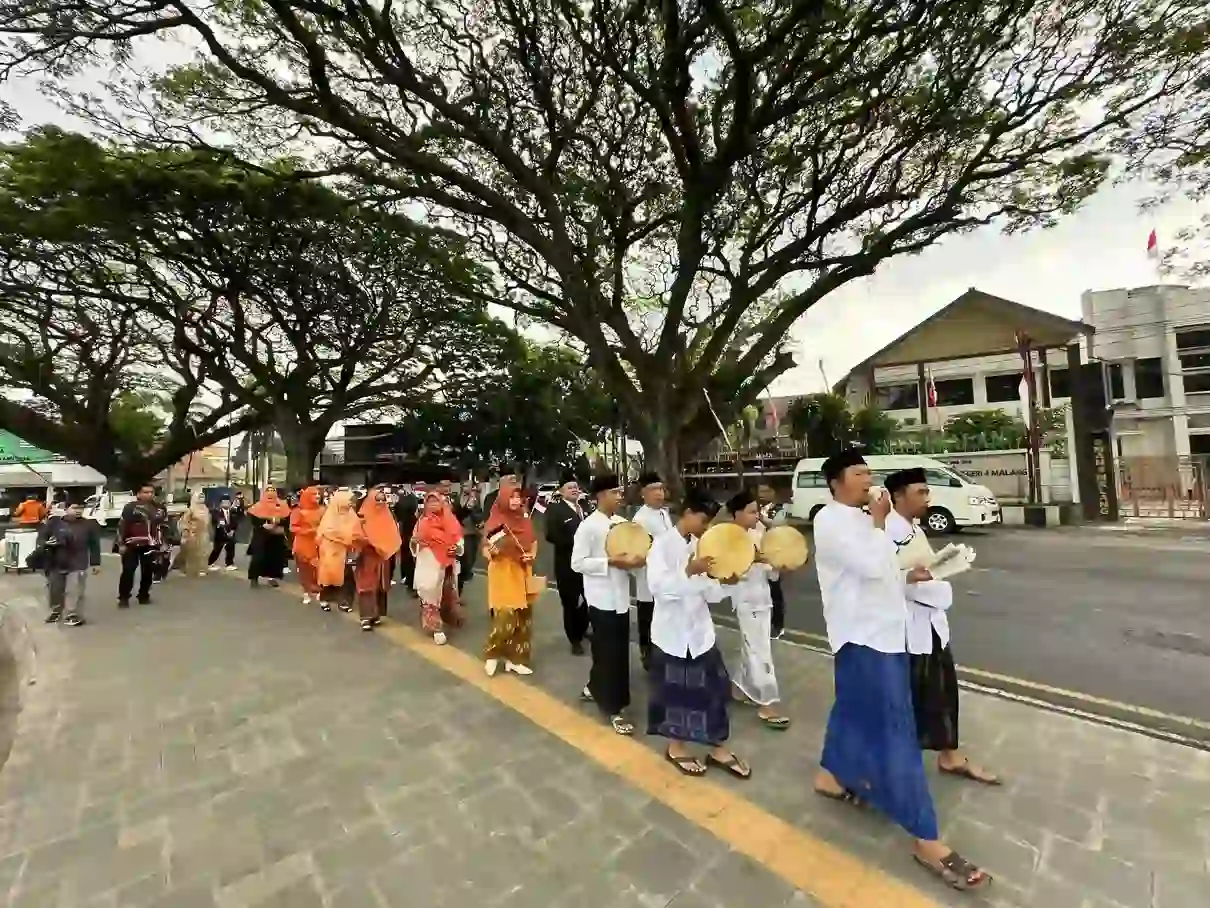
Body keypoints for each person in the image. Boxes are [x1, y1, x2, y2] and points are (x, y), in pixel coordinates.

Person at [812, 450, 990, 892]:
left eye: (868, 472)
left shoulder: (861, 521)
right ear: (835, 482)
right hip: (864, 636)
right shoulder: (830, 521)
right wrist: (877, 524)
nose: (867, 479)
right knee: (897, 729)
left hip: (885, 634)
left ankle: (830, 774)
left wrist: (911, 575)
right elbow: (872, 565)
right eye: (858, 473)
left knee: (851, 709)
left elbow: (884, 570)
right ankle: (925, 836)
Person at [885, 468, 1000, 787]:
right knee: (912, 699)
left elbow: (926, 571)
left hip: (932, 626)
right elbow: (896, 581)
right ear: (898, 496)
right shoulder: (888, 533)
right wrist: (937, 587)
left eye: (926, 491)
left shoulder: (913, 528)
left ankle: (949, 755)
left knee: (943, 693)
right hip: (910, 632)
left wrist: (950, 564)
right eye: (920, 492)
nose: (927, 498)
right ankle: (895, 766)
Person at [646, 491, 750, 780]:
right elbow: (658, 587)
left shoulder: (704, 545)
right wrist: (688, 571)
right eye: (703, 520)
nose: (706, 527)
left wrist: (727, 583)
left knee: (714, 691)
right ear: (687, 513)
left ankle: (717, 747)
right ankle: (676, 747)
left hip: (700, 633)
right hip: (672, 635)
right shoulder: (662, 546)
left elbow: (710, 592)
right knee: (674, 694)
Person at [572, 475, 643, 735]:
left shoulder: (623, 524)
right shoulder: (588, 526)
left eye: (621, 492)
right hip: (601, 599)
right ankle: (614, 708)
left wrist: (636, 563)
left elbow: (635, 556)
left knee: (613, 650)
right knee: (612, 654)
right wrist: (609, 563)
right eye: (615, 492)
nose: (620, 496)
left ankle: (593, 686)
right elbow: (577, 563)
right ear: (600, 495)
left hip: (622, 598)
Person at [725, 489, 790, 728]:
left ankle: (738, 688)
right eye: (752, 512)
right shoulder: (727, 537)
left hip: (764, 597)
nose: (756, 516)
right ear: (737, 513)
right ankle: (768, 702)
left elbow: (771, 574)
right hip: (745, 600)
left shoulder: (760, 532)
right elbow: (724, 573)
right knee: (759, 651)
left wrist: (779, 564)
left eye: (757, 511)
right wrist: (751, 561)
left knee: (752, 646)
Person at [481, 477, 538, 676]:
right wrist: (493, 552)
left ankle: (517, 659)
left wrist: (531, 555)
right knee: (505, 617)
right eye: (511, 497)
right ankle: (492, 654)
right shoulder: (496, 521)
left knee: (524, 619)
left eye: (518, 497)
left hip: (523, 571)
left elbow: (533, 542)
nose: (515, 501)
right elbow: (487, 549)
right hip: (502, 572)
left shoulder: (525, 520)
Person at [631, 472, 673, 671]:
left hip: (667, 577)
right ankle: (647, 656)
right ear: (643, 494)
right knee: (648, 619)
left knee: (664, 620)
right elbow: (638, 550)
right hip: (648, 579)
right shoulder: (640, 519)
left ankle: (662, 654)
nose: (659, 494)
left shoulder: (665, 513)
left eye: (661, 489)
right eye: (654, 490)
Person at [545, 472, 590, 655]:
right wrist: (575, 542)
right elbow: (550, 535)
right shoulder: (556, 510)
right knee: (570, 603)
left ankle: (582, 628)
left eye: (575, 487)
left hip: (587, 564)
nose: (574, 490)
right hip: (567, 564)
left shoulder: (585, 508)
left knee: (588, 599)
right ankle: (574, 639)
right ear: (561, 492)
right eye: (569, 487)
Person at [412, 490, 465, 644]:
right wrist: (417, 543)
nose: (433, 505)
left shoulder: (450, 520)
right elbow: (414, 540)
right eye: (430, 502)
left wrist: (457, 548)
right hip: (428, 562)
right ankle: (435, 627)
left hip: (447, 562)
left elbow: (458, 538)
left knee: (447, 591)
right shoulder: (422, 521)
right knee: (430, 593)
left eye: (436, 501)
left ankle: (449, 616)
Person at [36, 502, 101, 626]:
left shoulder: (89, 524)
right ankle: (56, 611)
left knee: (75, 589)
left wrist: (96, 563)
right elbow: (41, 539)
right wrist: (46, 543)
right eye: (75, 508)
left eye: (81, 508)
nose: (78, 511)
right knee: (55, 589)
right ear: (66, 509)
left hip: (78, 562)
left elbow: (94, 545)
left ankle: (73, 614)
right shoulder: (53, 523)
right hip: (56, 562)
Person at [116, 484, 163, 607]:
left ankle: (143, 595)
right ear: (138, 494)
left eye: (151, 492)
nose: (149, 495)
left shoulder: (159, 508)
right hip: (131, 544)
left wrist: (165, 543)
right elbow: (122, 525)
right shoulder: (130, 508)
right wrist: (121, 544)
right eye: (145, 492)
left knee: (148, 571)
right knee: (128, 571)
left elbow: (164, 526)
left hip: (151, 545)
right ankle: (124, 598)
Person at [318, 490, 364, 612]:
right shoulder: (330, 515)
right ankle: (325, 599)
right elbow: (326, 532)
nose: (351, 504)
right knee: (329, 576)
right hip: (331, 551)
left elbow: (357, 532)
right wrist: (344, 538)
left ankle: (345, 602)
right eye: (349, 500)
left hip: (348, 551)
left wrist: (353, 540)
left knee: (348, 578)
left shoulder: (352, 515)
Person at [756, 484, 787, 638]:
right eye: (760, 491)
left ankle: (778, 625)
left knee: (775, 592)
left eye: (766, 490)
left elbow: (779, 528)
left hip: (772, 556)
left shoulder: (779, 509)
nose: (762, 494)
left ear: (773, 492)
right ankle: (764, 624)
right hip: (757, 556)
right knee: (761, 591)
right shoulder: (754, 508)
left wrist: (761, 518)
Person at [246, 487, 291, 588]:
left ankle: (272, 578)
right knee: (258, 556)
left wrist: (278, 522)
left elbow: (287, 518)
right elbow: (254, 519)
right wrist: (262, 525)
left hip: (276, 535)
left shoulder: (282, 505)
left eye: (273, 491)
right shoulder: (258, 506)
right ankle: (254, 578)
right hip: (261, 534)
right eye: (268, 491)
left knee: (275, 557)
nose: (271, 493)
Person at [290, 487, 325, 606]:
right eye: (314, 494)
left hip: (318, 544)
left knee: (318, 570)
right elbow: (293, 527)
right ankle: (306, 592)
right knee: (304, 570)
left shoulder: (322, 510)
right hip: (302, 545)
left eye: (318, 494)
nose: (317, 497)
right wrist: (309, 531)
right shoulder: (298, 511)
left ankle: (319, 591)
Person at [452, 484, 483, 593]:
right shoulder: (455, 499)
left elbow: (479, 517)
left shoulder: (475, 500)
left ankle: (463, 579)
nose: (468, 488)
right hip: (457, 536)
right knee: (458, 565)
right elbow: (455, 515)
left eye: (469, 486)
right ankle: (456, 594)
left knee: (468, 563)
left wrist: (473, 508)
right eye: (465, 486)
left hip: (471, 535)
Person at [176, 491, 212, 577]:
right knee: (191, 553)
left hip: (204, 534)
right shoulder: (191, 510)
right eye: (199, 497)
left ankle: (202, 569)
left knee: (204, 552)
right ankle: (188, 569)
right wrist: (186, 532)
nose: (201, 499)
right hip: (193, 534)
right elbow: (184, 522)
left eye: (202, 497)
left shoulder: (206, 509)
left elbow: (208, 522)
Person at [394, 484, 420, 590]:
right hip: (405, 526)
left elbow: (412, 508)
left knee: (409, 554)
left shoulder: (410, 497)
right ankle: (407, 577)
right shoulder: (401, 496)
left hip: (409, 526)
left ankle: (409, 578)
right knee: (406, 553)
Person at [208, 495, 242, 571]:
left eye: (228, 502)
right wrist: (226, 531)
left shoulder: (233, 512)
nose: (226, 503)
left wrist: (232, 531)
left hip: (231, 533)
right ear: (220, 504)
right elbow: (217, 522)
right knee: (217, 549)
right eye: (224, 502)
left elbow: (235, 522)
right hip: (220, 534)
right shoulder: (216, 512)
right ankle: (209, 563)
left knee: (231, 547)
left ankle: (229, 564)